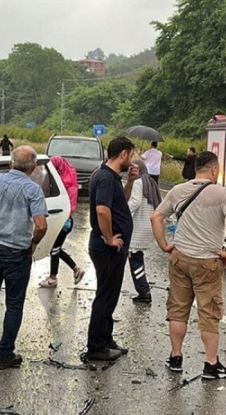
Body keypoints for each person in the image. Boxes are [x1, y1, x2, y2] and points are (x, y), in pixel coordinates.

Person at [151, 151, 226, 380]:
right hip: (208, 262)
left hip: (180, 258)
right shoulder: (222, 194)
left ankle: (175, 357)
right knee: (208, 312)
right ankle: (211, 364)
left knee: (178, 309)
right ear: (214, 169)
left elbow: (156, 217)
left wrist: (164, 245)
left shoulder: (177, 191)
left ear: (195, 169)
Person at [0, 146, 48, 370]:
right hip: (17, 252)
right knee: (14, 304)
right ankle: (4, 353)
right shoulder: (33, 190)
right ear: (34, 168)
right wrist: (33, 242)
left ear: (10, 163)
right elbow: (42, 225)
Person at [84, 137, 139, 362]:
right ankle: (96, 347)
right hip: (106, 247)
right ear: (123, 154)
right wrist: (109, 238)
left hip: (112, 246)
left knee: (110, 294)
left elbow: (120, 203)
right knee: (105, 296)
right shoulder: (105, 178)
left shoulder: (111, 176)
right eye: (132, 154)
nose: (132, 159)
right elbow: (103, 211)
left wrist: (130, 182)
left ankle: (106, 339)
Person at [39, 156, 85, 288]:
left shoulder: (64, 183)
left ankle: (54, 277)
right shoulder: (69, 179)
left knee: (55, 249)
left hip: (64, 221)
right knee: (55, 248)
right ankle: (76, 270)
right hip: (66, 220)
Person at [126, 159, 160, 303]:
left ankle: (143, 291)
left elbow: (135, 202)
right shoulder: (150, 182)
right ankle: (143, 289)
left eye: (134, 168)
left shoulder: (138, 182)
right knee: (136, 258)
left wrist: (121, 212)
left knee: (135, 259)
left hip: (137, 227)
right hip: (147, 226)